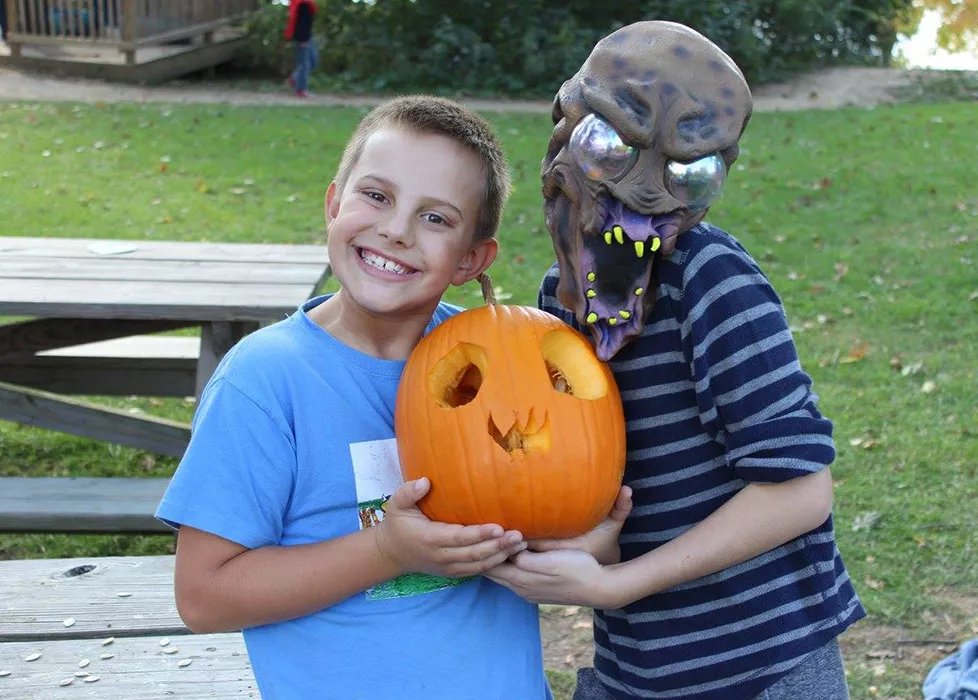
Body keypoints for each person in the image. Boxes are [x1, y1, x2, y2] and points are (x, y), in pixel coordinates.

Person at [485, 21, 865, 700]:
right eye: (610, 145)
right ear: (563, 123)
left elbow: (800, 491)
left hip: (760, 668)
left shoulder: (709, 280)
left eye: (690, 169)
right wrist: (589, 548)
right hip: (640, 668)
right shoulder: (556, 302)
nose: (646, 191)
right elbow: (592, 482)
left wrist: (619, 581)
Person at [155, 95, 555, 700]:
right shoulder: (264, 382)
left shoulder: (502, 367)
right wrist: (386, 550)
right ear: (333, 203)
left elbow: (546, 512)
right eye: (376, 196)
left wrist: (585, 537)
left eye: (436, 218)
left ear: (472, 259)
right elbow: (203, 596)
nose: (395, 230)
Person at [284, 0, 317, 98]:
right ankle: (301, 90)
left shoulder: (307, 2)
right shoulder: (303, 4)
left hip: (307, 36)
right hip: (302, 37)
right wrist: (303, 39)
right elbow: (301, 22)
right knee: (304, 64)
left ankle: (295, 78)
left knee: (312, 60)